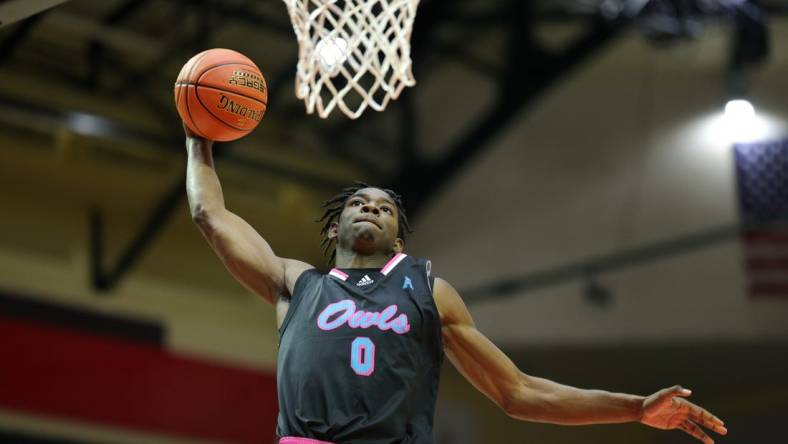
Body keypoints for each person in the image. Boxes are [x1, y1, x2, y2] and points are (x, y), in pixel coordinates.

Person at [184, 131, 728, 444]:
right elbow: (211, 214)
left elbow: (516, 392)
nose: (372, 206)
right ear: (334, 228)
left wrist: (635, 408)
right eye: (358, 203)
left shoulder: (427, 290)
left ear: (397, 237)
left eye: (386, 207)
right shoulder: (296, 283)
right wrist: (197, 139)